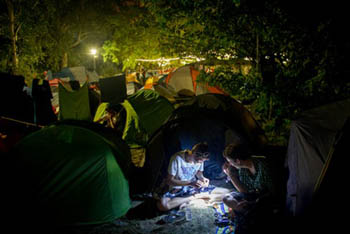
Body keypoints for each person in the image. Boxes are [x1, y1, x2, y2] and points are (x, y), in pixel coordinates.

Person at [155, 142, 213, 211]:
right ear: (193, 153)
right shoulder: (177, 158)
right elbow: (169, 180)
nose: (199, 163)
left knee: (221, 192)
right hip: (176, 188)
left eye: (202, 161)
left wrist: (203, 178)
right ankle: (192, 198)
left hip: (190, 188)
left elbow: (199, 173)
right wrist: (190, 183)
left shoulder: (200, 160)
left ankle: (184, 201)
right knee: (163, 206)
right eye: (198, 160)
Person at [221, 142, 276, 215]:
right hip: (253, 195)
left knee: (248, 210)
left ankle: (243, 212)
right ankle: (241, 210)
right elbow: (244, 191)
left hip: (265, 199)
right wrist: (230, 174)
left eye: (230, 162)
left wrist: (252, 203)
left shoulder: (263, 166)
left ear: (238, 161)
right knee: (226, 198)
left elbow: (273, 192)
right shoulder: (243, 168)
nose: (230, 164)